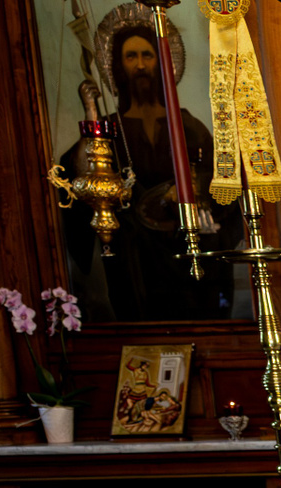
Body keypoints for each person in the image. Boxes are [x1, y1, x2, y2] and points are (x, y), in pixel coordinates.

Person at [59, 10, 241, 322]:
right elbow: (80, 177)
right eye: (131, 57)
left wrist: (193, 191)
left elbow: (221, 182)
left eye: (147, 55)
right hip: (134, 257)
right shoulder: (109, 128)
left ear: (161, 63)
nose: (140, 65)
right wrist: (91, 114)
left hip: (186, 247)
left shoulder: (188, 126)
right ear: (119, 66)